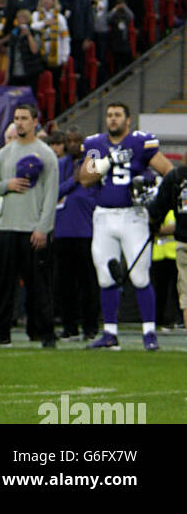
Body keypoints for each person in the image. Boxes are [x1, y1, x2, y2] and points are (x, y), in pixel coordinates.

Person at [80, 100, 173, 350]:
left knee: (140, 276)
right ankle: (110, 334)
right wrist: (108, 160)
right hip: (104, 216)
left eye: (118, 115)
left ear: (128, 120)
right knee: (105, 276)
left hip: (133, 216)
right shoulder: (95, 144)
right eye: (109, 115)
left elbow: (170, 172)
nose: (113, 119)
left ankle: (149, 333)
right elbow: (85, 179)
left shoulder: (141, 142)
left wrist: (155, 195)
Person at [0, 101, 60, 348]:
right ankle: (0, 332)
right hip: (6, 228)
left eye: (24, 118)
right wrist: (9, 185)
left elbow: (51, 195)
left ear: (35, 121)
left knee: (38, 286)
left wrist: (43, 227)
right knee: (2, 285)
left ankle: (45, 332)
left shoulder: (46, 154)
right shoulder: (5, 153)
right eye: (17, 118)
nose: (19, 122)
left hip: (32, 228)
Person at [50, 128, 99, 340]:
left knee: (88, 282)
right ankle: (69, 326)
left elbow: (96, 194)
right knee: (65, 283)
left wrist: (79, 181)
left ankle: (90, 327)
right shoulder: (60, 165)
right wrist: (74, 180)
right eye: (68, 140)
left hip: (87, 231)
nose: (72, 144)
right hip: (63, 231)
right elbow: (54, 192)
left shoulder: (92, 165)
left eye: (76, 140)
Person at [147, 155, 187, 332]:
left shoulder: (176, 177)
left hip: (183, 242)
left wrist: (154, 224)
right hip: (178, 245)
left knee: (186, 295)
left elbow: (157, 209)